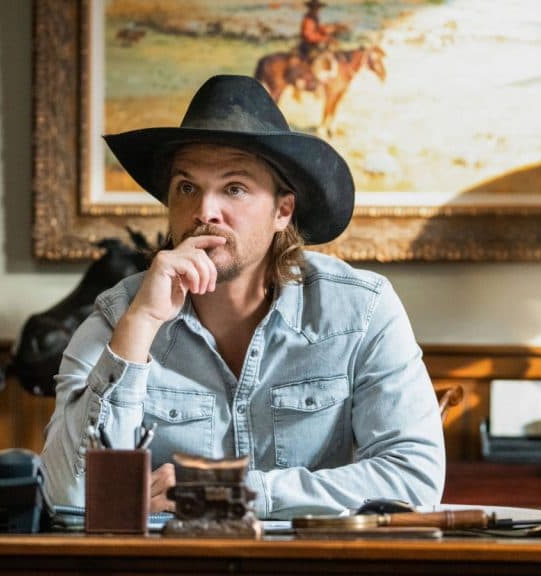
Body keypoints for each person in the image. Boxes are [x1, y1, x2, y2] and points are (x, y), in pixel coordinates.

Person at [40, 75, 445, 519]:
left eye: (234, 188)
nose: (204, 212)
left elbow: (414, 478)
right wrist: (140, 327)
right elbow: (67, 495)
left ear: (282, 210)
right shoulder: (121, 316)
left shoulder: (361, 310)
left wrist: (225, 492)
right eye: (187, 188)